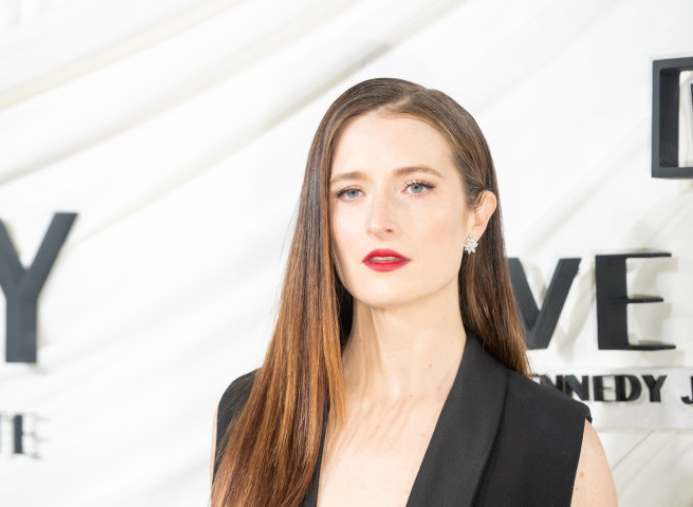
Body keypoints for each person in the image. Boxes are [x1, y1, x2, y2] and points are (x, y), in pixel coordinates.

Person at [210, 78, 617, 506]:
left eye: (417, 186)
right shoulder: (249, 412)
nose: (378, 222)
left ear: (477, 216)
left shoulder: (556, 443)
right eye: (350, 192)